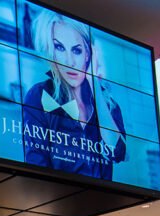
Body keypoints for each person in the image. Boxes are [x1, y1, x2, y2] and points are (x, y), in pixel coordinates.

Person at [22, 10, 126, 181]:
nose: (70, 61)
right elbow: (36, 164)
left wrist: (94, 86)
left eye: (77, 50)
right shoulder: (39, 95)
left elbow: (117, 152)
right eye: (60, 47)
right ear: (51, 51)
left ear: (88, 54)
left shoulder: (109, 105)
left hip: (101, 204)